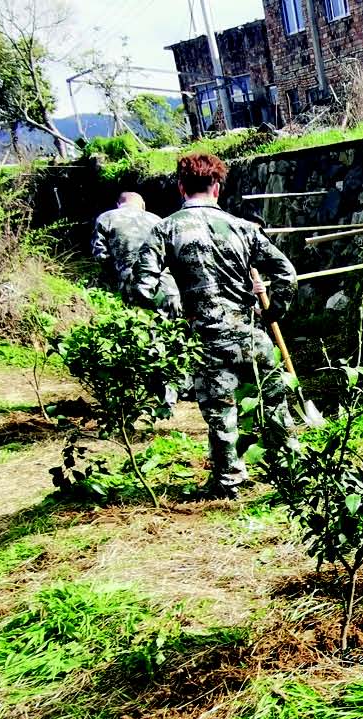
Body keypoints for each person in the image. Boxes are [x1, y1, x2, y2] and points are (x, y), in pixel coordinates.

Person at [130, 153, 299, 500]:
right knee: (274, 405)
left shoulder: (165, 229)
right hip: (253, 335)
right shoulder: (244, 228)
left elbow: (141, 288)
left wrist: (175, 309)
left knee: (222, 415)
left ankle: (229, 481)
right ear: (218, 188)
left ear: (180, 187)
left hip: (207, 340)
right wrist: (271, 314)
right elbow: (287, 274)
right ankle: (292, 472)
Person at [91, 191, 181, 315]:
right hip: (166, 283)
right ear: (143, 205)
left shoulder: (106, 217)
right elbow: (172, 254)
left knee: (138, 320)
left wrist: (114, 276)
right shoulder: (158, 219)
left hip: (130, 280)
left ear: (118, 204)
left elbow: (101, 255)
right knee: (171, 323)